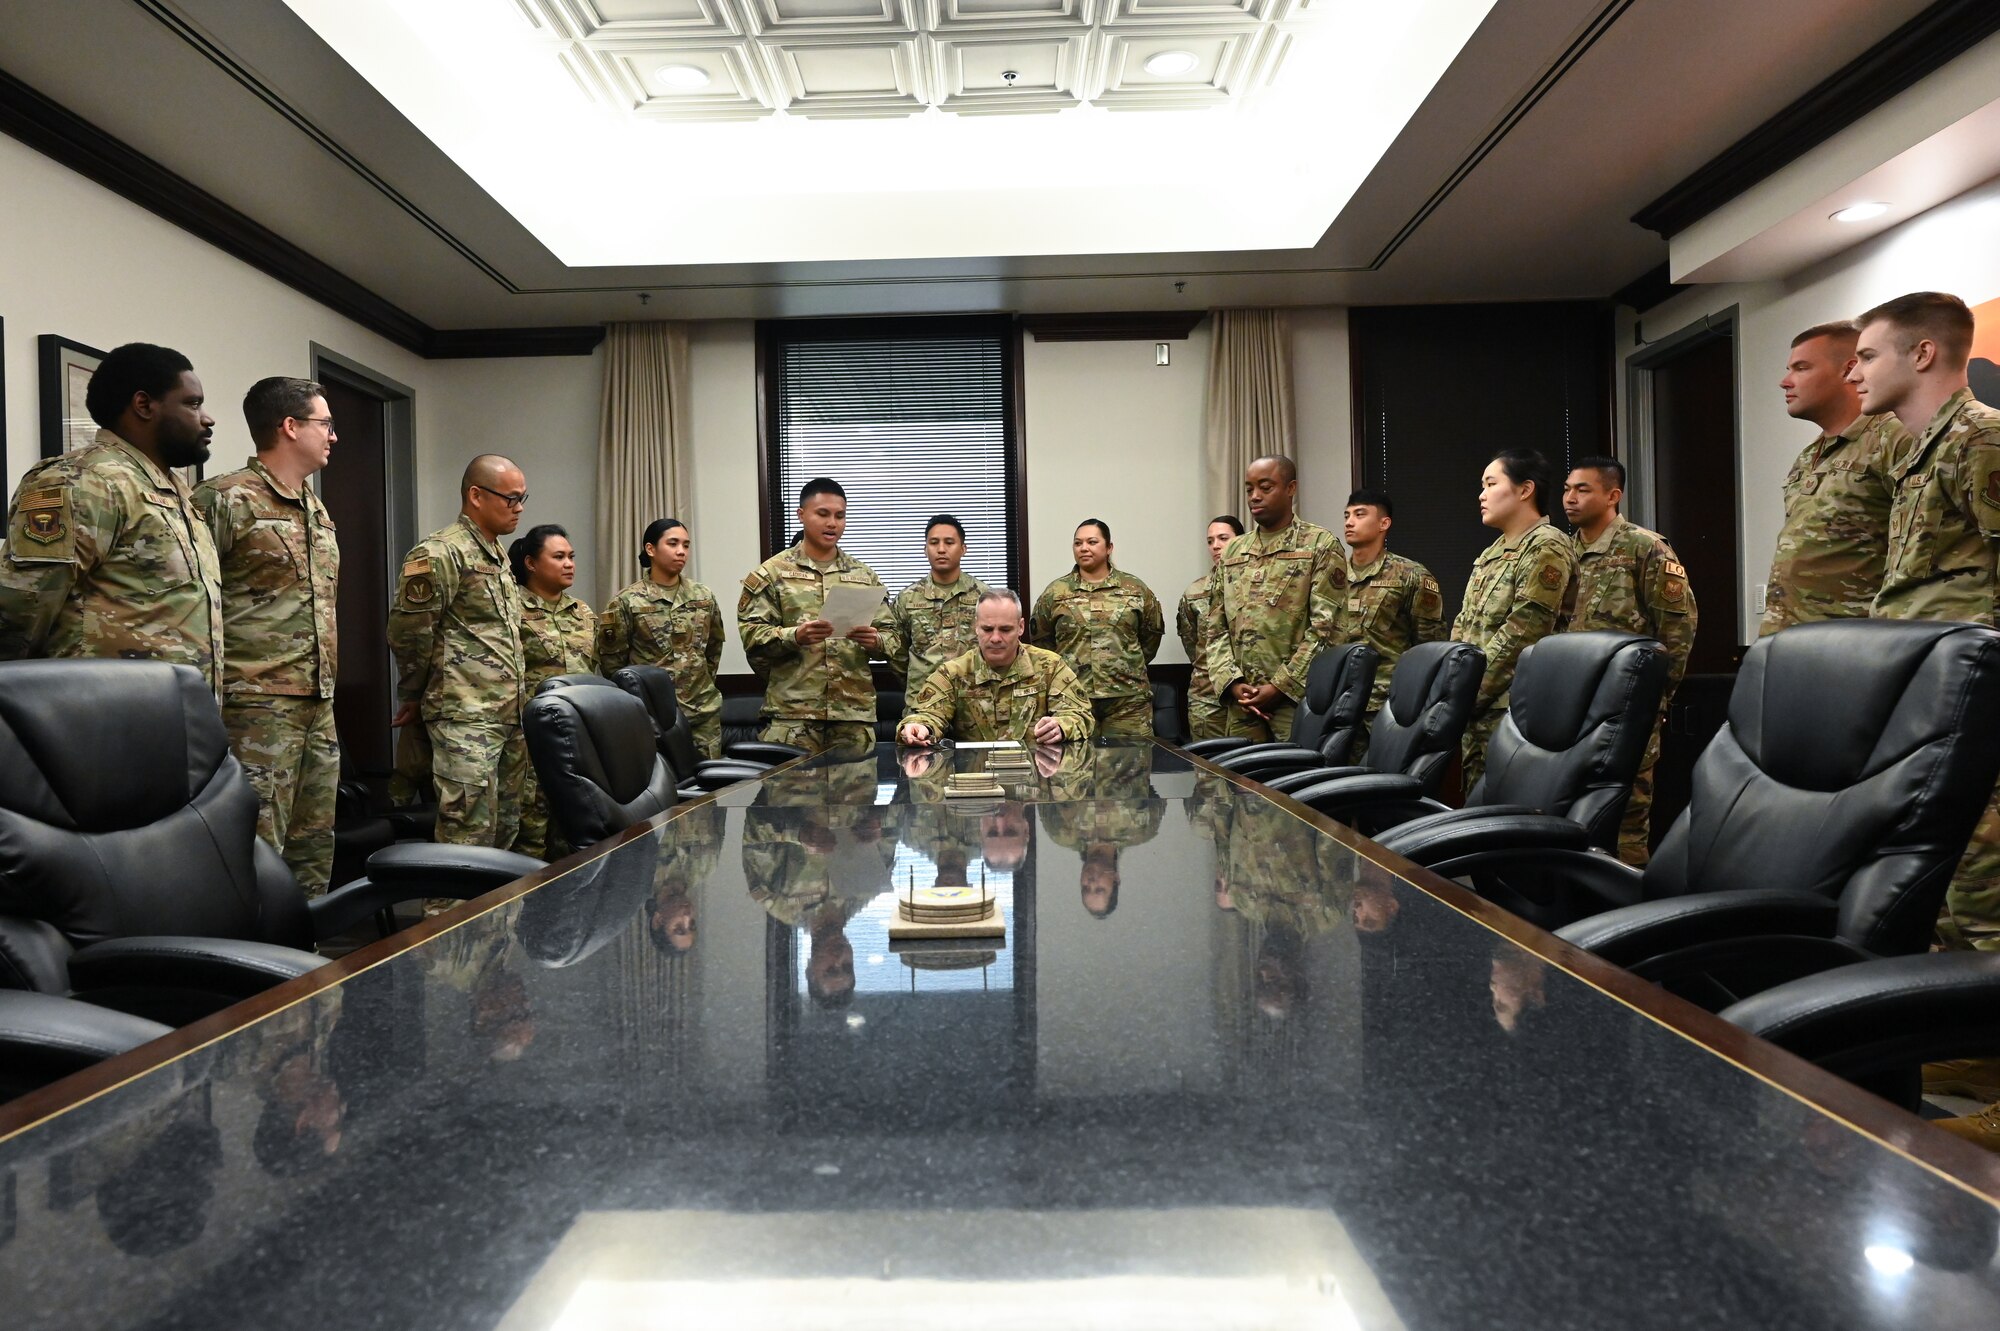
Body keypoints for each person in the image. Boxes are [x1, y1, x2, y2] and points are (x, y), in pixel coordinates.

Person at [1850, 294, 2000, 1148]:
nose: (1856, 371)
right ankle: (1968, 1057)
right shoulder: (1915, 456)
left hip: (1983, 696)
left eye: (1869, 355)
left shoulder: (1981, 440)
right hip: (1936, 699)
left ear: (1927, 353)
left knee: (1988, 891)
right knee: (1949, 887)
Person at [0, 342, 224, 695]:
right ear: (143, 405)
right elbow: (20, 613)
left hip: (177, 721)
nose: (207, 418)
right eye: (192, 404)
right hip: (100, 721)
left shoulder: (173, 490)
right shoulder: (83, 480)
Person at [192, 376, 342, 896]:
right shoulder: (223, 499)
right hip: (253, 705)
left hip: (316, 702)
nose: (333, 435)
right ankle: (254, 971)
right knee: (254, 848)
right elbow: (194, 603)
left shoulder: (315, 509)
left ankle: (308, 961)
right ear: (290, 426)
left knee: (313, 843)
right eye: (325, 423)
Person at [387, 455, 529, 857]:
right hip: (466, 717)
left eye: (523, 499)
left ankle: (497, 922)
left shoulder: (497, 555)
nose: (519, 508)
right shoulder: (440, 552)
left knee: (504, 835)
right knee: (464, 842)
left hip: (508, 715)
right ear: (476, 495)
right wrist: (412, 693)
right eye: (511, 499)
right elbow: (409, 632)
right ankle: (449, 921)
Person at [1558, 457, 1697, 866]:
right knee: (1573, 809)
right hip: (1574, 704)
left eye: (1582, 489)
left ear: (1612, 495)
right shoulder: (1563, 552)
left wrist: (1658, 697)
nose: (1570, 497)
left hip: (1628, 703)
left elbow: (1677, 627)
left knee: (1627, 813)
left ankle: (1630, 899)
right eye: (1567, 488)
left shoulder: (1644, 546)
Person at [1762, 321, 1910, 634]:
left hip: (1856, 643)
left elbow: (1916, 555)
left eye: (1801, 368)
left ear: (1849, 370)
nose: (1785, 382)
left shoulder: (1894, 439)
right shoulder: (1809, 455)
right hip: (1790, 638)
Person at [738, 478, 895, 755]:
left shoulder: (863, 576)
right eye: (823, 514)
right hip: (793, 717)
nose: (832, 523)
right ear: (801, 515)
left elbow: (893, 637)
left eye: (840, 515)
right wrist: (793, 636)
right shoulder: (771, 574)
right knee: (788, 798)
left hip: (852, 716)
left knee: (857, 799)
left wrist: (876, 641)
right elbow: (751, 637)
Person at [1452, 448, 1577, 792]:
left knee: (1506, 814)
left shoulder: (1546, 545)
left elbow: (1523, 631)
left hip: (1512, 709)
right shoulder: (1491, 553)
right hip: (1475, 708)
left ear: (1525, 490)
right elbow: (1464, 624)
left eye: (1491, 483)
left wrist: (1467, 692)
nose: (1482, 494)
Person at [1202, 456, 1350, 743]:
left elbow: (1327, 630)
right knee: (1242, 784)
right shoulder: (1234, 552)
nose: (1255, 496)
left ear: (1291, 488)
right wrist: (1233, 682)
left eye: (1265, 487)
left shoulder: (1319, 545)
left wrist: (1280, 686)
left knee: (1295, 784)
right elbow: (1215, 626)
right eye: (1249, 489)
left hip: (1296, 701)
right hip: (1242, 702)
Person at [897, 589, 1094, 744]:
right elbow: (926, 715)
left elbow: (1080, 715)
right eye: (987, 629)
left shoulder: (1050, 667)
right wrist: (920, 727)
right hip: (975, 781)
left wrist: (1061, 726)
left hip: (1034, 783)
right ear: (976, 627)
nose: (996, 638)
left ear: (1021, 627)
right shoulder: (954, 672)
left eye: (1006, 629)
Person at [598, 518, 725, 758]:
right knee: (663, 790)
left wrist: (696, 683)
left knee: (711, 785)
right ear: (650, 549)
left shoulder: (703, 596)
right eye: (673, 543)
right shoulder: (627, 601)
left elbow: (713, 648)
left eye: (686, 545)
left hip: (702, 712)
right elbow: (612, 664)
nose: (681, 551)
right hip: (651, 716)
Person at [509, 523, 597, 860]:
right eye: (558, 556)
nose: (569, 563)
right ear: (531, 563)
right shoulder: (512, 609)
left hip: (575, 739)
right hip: (528, 741)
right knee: (529, 834)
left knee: (572, 834)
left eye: (571, 556)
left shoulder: (584, 613)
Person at [1031, 519, 1164, 738]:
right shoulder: (1055, 593)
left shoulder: (1135, 589)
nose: (1084, 548)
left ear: (1109, 547)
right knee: (1074, 767)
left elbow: (1150, 639)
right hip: (1073, 699)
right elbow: (1043, 643)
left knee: (1130, 767)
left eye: (1092, 542)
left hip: (1127, 701)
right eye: (1078, 543)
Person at [1341, 489, 1446, 760]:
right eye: (1347, 515)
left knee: (1381, 790)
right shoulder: (1332, 576)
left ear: (1383, 524)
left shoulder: (1411, 575)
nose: (1349, 522)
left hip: (1386, 707)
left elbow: (1428, 649)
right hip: (1338, 703)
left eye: (1360, 514)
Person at [887, 514, 991, 700]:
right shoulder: (907, 598)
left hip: (973, 701)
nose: (941, 549)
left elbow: (995, 646)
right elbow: (897, 654)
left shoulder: (984, 596)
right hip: (923, 702)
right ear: (925, 549)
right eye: (934, 543)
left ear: (963, 549)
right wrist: (918, 681)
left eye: (949, 542)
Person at [1178, 515, 1243, 741]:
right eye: (1210, 540)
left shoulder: (1258, 588)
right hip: (1207, 697)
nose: (1215, 545)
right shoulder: (1195, 592)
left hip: (1248, 697)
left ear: (1241, 541)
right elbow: (1191, 642)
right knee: (1208, 772)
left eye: (1223, 538)